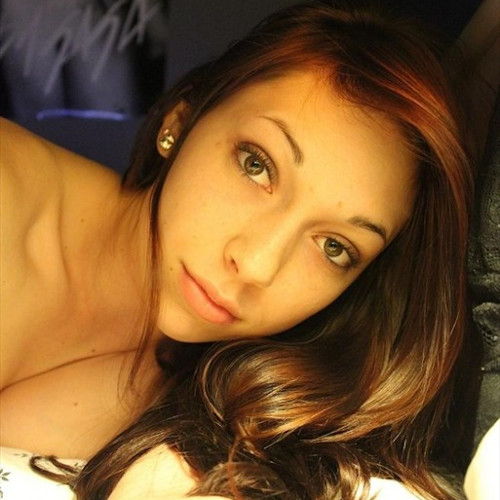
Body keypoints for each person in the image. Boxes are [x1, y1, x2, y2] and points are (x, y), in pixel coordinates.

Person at [0, 1, 480, 499]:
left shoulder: (236, 389)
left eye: (334, 247)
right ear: (180, 121)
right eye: (257, 166)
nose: (256, 265)